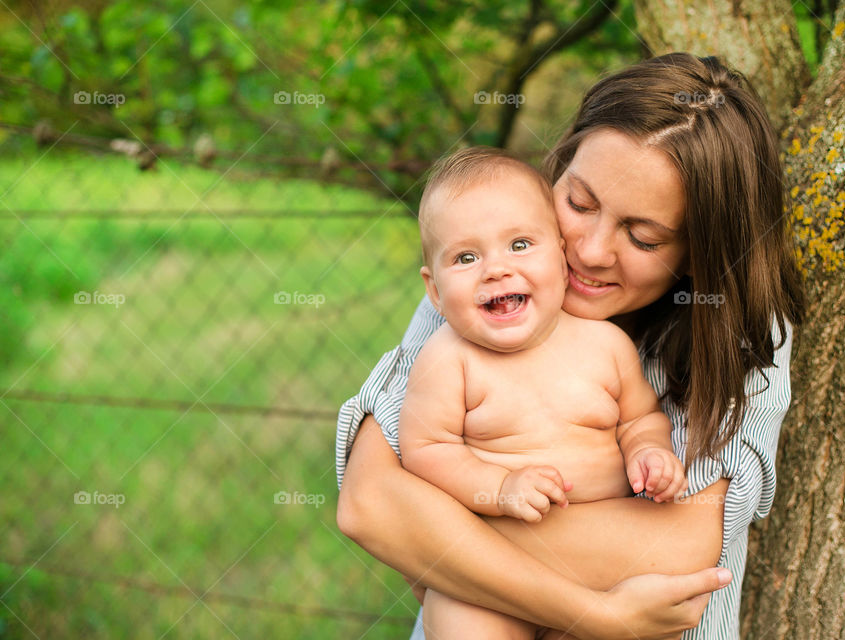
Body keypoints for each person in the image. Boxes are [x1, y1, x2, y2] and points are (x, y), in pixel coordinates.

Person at [336, 52, 805, 639]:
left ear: (699, 255)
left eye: (642, 235)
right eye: (579, 203)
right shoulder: (488, 286)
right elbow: (370, 504)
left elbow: (681, 544)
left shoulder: (740, 336)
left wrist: (438, 542)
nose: (587, 250)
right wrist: (599, 613)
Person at [400, 147, 688, 638]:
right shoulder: (449, 359)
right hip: (488, 581)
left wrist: (650, 452)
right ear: (434, 290)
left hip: (601, 573)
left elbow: (640, 418)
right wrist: (499, 487)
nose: (495, 269)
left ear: (559, 253)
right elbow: (426, 450)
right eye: (466, 257)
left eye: (519, 245)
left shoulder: (605, 345)